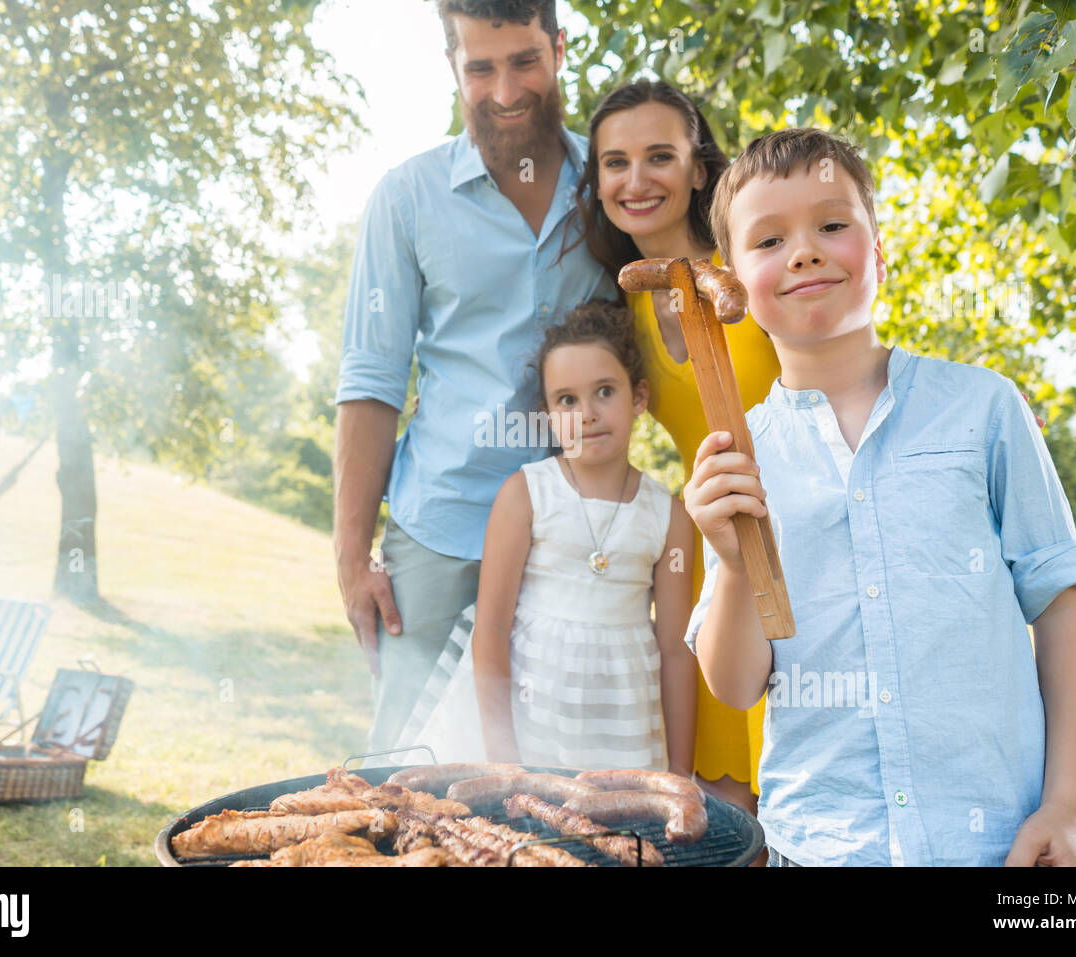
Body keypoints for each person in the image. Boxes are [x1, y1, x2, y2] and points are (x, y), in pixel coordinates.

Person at [683, 127, 1076, 866]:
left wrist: (1067, 807)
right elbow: (736, 683)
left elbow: (1064, 602)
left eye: (832, 225)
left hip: (988, 842)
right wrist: (731, 562)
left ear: (879, 252)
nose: (804, 251)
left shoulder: (984, 409)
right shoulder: (736, 456)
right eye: (769, 241)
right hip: (819, 846)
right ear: (731, 287)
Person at [333, 1, 612, 756]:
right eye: (480, 67)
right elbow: (372, 383)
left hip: (573, 530)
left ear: (558, 48)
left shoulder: (613, 191)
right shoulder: (406, 197)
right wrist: (352, 555)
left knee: (551, 758)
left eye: (523, 60)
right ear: (452, 66)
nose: (505, 89)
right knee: (405, 761)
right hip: (441, 529)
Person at [568, 79, 780, 814]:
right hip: (713, 550)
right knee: (725, 807)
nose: (636, 180)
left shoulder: (757, 261)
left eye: (660, 156)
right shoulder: (617, 305)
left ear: (698, 168)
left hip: (805, 535)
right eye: (614, 163)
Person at [398, 300, 697, 772]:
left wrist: (680, 774)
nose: (588, 414)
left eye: (604, 391)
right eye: (567, 400)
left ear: (638, 396)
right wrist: (504, 761)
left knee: (609, 840)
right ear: (548, 414)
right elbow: (491, 631)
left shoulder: (670, 516)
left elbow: (677, 652)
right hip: (526, 724)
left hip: (620, 728)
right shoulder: (526, 495)